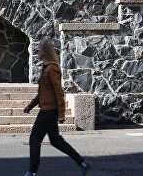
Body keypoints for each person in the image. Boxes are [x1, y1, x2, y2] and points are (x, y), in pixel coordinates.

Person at [22, 39, 91, 175]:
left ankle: (32, 172)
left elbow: (59, 92)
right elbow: (42, 93)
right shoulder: (46, 69)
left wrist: (61, 113)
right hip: (48, 110)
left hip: (49, 112)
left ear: (44, 52)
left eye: (38, 50)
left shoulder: (51, 69)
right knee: (56, 140)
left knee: (34, 139)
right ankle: (82, 163)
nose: (36, 53)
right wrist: (30, 106)